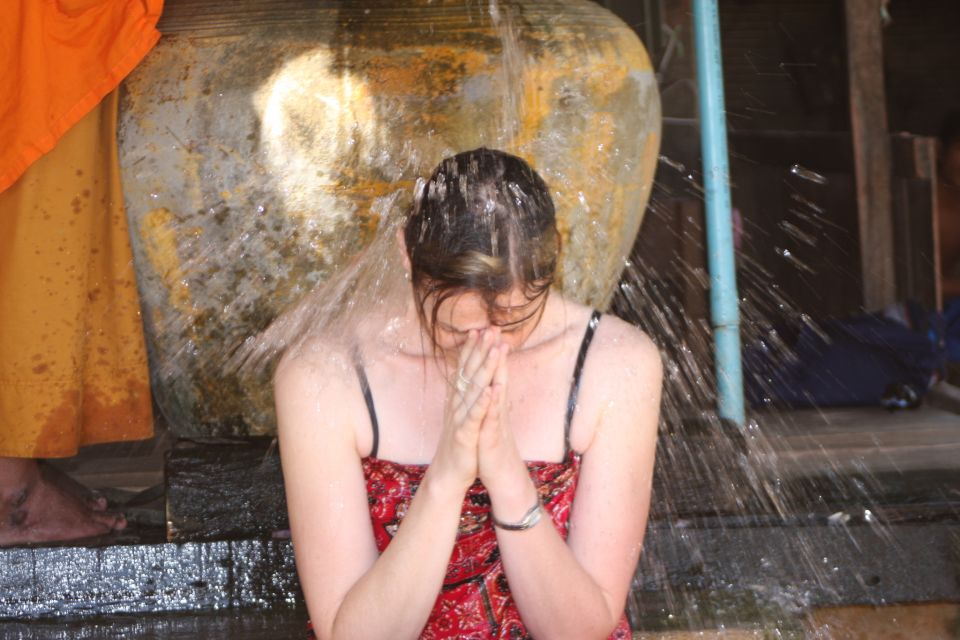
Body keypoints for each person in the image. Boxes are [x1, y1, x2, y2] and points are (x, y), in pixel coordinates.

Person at [272, 148, 662, 639]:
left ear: (552, 262)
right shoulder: (324, 376)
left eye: (516, 321)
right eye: (456, 330)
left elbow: (581, 631)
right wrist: (448, 474)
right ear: (406, 254)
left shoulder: (616, 364)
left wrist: (505, 472)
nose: (486, 345)